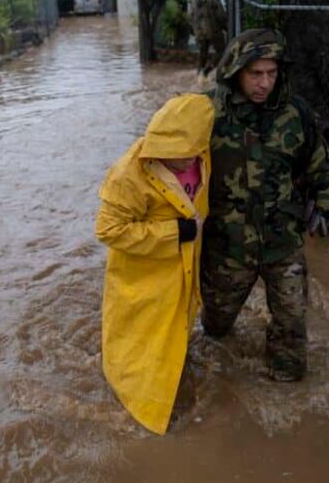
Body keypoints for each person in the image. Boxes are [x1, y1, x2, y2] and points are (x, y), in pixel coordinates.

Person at [200, 28, 329, 382]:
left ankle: (286, 397)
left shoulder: (295, 114)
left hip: (282, 240)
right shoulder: (206, 113)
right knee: (216, 328)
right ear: (236, 70)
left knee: (292, 325)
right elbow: (169, 165)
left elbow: (321, 167)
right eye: (255, 74)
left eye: (271, 73)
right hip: (228, 245)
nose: (264, 83)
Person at [95, 93, 214, 434]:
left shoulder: (204, 153)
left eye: (182, 154)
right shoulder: (127, 175)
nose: (174, 160)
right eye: (166, 152)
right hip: (143, 277)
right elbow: (107, 230)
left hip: (181, 271)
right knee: (136, 344)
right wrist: (176, 232)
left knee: (176, 333)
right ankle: (140, 403)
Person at [190, 0, 227, 78]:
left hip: (199, 31)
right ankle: (207, 71)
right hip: (213, 30)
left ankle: (199, 73)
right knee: (221, 51)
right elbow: (221, 16)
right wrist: (226, 27)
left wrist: (194, 29)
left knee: (203, 53)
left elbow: (191, 15)